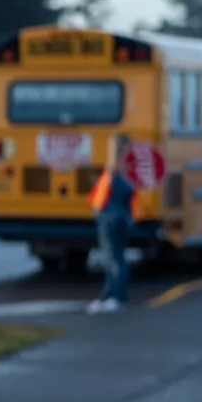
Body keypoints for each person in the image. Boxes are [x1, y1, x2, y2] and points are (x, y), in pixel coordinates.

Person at [87, 133, 136, 314]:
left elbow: (112, 195)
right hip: (113, 218)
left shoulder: (118, 172)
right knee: (111, 258)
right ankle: (109, 294)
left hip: (112, 218)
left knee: (114, 258)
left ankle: (116, 296)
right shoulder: (120, 171)